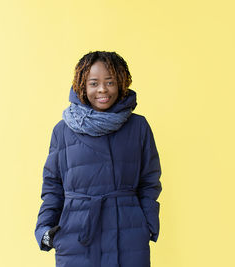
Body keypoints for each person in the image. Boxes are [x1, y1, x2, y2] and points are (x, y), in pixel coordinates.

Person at [34, 51, 162, 267]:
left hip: (128, 235)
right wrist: (45, 229)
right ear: (82, 86)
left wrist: (147, 225)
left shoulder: (138, 127)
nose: (102, 89)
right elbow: (53, 187)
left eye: (110, 82)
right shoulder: (63, 131)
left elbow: (149, 181)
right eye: (94, 83)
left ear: (121, 83)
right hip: (76, 236)